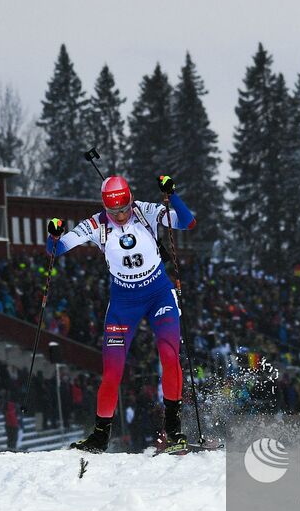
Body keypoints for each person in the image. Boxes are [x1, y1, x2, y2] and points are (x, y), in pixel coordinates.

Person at [46, 172, 195, 454]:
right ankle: (100, 437)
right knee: (112, 372)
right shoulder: (96, 224)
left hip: (158, 294)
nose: (123, 215)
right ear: (106, 208)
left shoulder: (145, 211)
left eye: (125, 208)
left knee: (168, 355)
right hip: (124, 302)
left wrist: (171, 195)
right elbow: (58, 247)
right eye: (115, 211)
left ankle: (174, 431)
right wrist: (54, 235)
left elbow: (187, 221)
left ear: (129, 200)